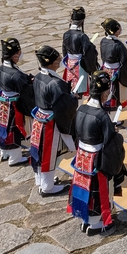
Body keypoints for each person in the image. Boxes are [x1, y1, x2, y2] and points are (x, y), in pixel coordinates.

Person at [69, 71, 127, 237]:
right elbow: (111, 142)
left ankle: (85, 220)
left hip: (82, 157)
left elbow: (75, 133)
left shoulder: (81, 109)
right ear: (103, 93)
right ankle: (98, 224)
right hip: (96, 160)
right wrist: (117, 135)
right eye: (107, 92)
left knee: (82, 187)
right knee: (97, 190)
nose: (108, 95)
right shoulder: (102, 116)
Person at [30, 45, 77, 197]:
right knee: (50, 155)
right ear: (50, 62)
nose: (59, 62)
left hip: (39, 119)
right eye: (57, 60)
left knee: (39, 151)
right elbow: (64, 107)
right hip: (51, 123)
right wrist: (73, 100)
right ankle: (47, 187)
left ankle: (41, 180)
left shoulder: (38, 76)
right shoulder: (55, 83)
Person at [0, 38, 35, 166]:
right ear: (15, 55)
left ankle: (4, 152)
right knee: (14, 130)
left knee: (2, 127)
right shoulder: (15, 75)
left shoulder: (1, 69)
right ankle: (15, 158)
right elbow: (25, 92)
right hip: (14, 106)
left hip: (3, 104)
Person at [99, 19, 127, 125]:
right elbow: (126, 60)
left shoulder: (103, 41)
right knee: (114, 95)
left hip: (105, 70)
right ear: (116, 30)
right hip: (115, 72)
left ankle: (108, 117)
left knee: (106, 93)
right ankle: (113, 119)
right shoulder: (118, 45)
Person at [62, 7, 99, 97]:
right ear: (82, 21)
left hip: (70, 63)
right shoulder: (82, 36)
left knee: (72, 84)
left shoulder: (66, 34)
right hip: (80, 64)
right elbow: (88, 53)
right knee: (80, 85)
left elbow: (64, 50)